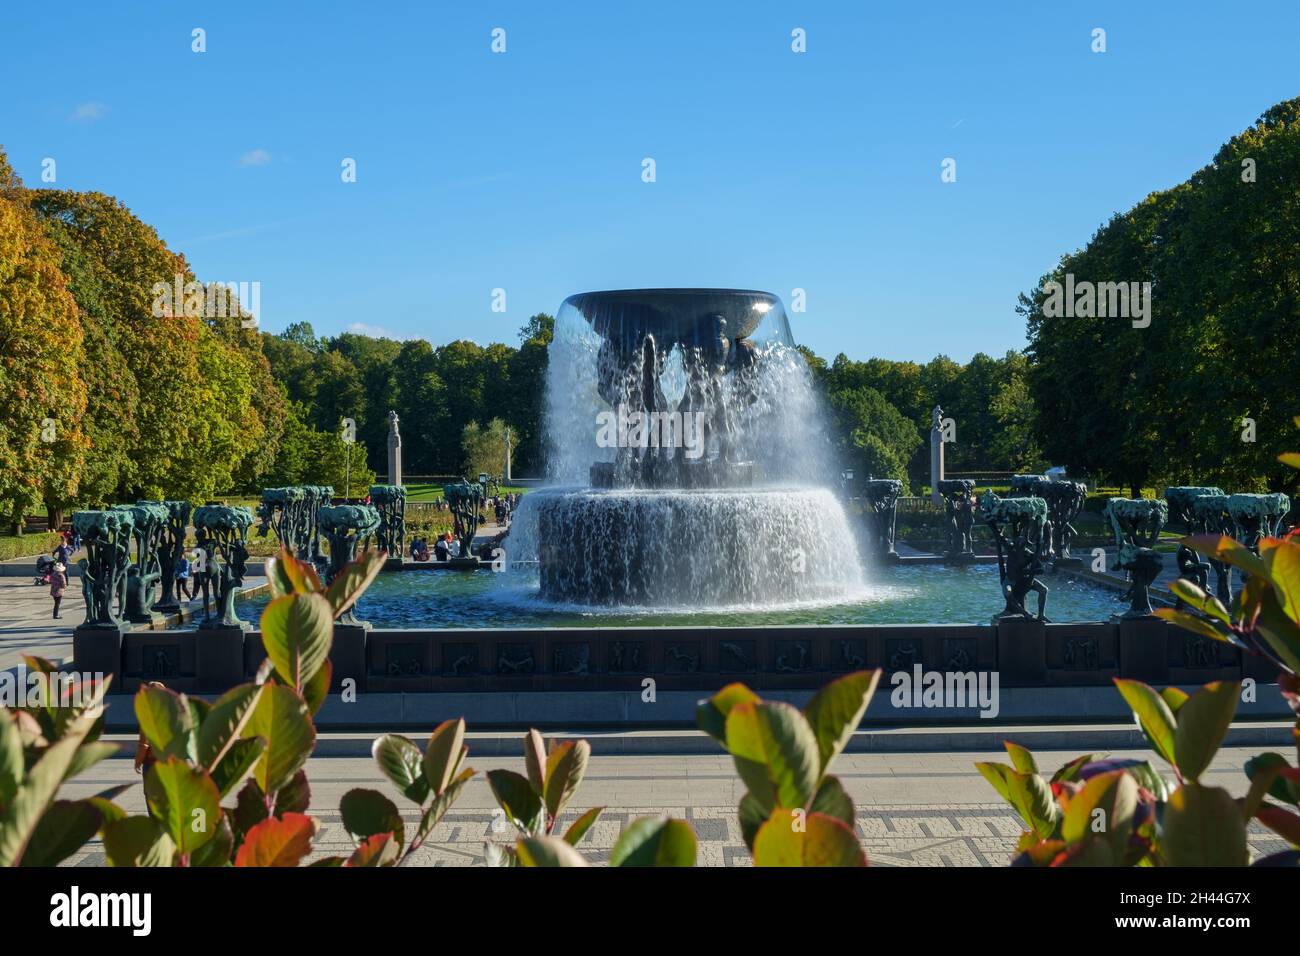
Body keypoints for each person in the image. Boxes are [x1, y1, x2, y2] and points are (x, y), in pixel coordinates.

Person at [133, 682, 166, 780]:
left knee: (151, 793)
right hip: (168, 763)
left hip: (151, 762)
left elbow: (144, 744)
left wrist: (138, 762)